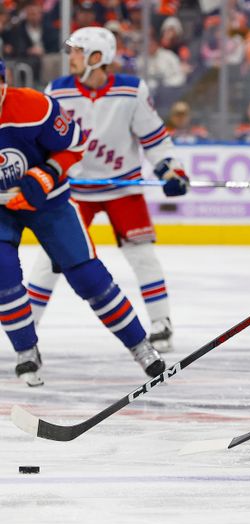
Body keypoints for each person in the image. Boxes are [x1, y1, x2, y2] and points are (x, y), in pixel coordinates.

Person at [0, 58, 164, 386]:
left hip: (49, 202)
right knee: (2, 272)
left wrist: (46, 174)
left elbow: (75, 144)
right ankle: (26, 350)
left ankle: (139, 345)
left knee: (88, 276)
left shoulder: (35, 106)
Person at [25, 27, 190, 352]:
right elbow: (41, 141)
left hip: (122, 187)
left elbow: (154, 139)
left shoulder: (132, 91)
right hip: (73, 191)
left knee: (143, 256)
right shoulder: (56, 91)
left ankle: (161, 324)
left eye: (76, 51)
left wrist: (171, 169)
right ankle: (26, 331)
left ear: (96, 57)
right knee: (49, 258)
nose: (70, 57)